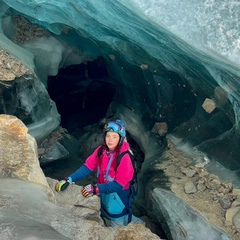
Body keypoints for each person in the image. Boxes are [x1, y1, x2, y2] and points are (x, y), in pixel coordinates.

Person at [55, 119, 144, 227]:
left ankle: (144, 228)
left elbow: (119, 184)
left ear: (121, 138)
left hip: (119, 200)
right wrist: (69, 179)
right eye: (108, 136)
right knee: (111, 218)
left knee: (118, 226)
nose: (110, 140)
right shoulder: (101, 151)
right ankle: (142, 224)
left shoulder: (124, 158)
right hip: (106, 198)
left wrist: (96, 189)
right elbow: (87, 168)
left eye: (114, 137)